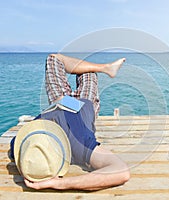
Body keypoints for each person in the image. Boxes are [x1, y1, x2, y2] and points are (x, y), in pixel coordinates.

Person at [11, 54, 130, 191]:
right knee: (88, 74)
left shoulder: (25, 144)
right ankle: (106, 68)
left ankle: (106, 67)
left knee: (53, 59)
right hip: (85, 103)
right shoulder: (80, 145)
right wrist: (59, 184)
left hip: (60, 100)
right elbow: (121, 172)